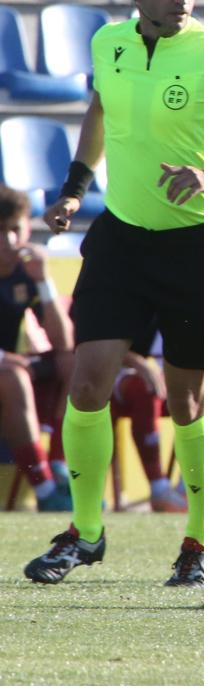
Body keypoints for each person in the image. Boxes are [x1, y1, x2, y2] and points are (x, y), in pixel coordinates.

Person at [24, 0, 204, 588]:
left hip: (196, 245)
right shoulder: (108, 43)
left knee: (187, 399)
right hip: (121, 236)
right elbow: (101, 109)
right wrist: (74, 189)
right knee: (88, 382)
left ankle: (201, 536)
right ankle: (85, 532)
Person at [109, 322, 204, 513]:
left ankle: (190, 485)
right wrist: (141, 364)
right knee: (146, 389)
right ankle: (158, 488)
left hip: (178, 368)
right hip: (130, 370)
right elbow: (106, 343)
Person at [0, 187, 74, 513]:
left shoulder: (25, 271)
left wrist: (44, 281)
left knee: (75, 362)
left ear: (27, 230)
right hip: (8, 369)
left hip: (10, 367)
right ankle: (44, 489)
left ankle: (58, 463)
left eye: (14, 230)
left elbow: (64, 342)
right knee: (14, 375)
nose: (8, 241)